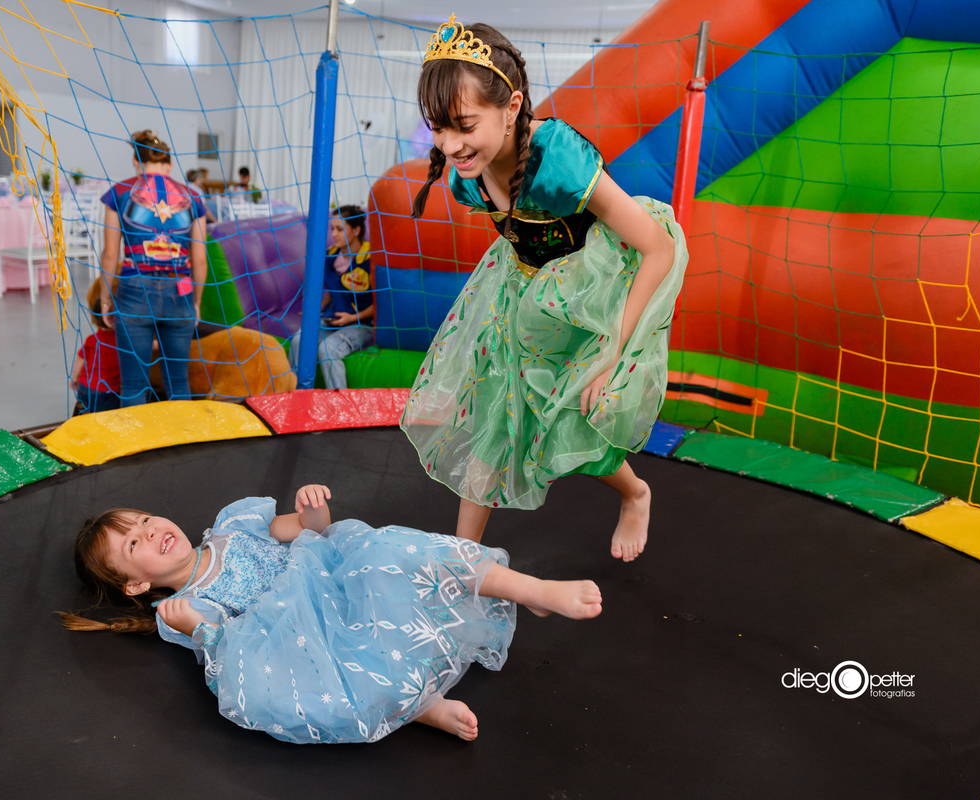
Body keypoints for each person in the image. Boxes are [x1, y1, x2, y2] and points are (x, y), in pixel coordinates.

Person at [401, 17, 689, 561]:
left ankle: (636, 492)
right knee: (491, 407)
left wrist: (611, 355)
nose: (451, 145)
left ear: (511, 109)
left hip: (605, 287)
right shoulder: (467, 173)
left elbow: (658, 248)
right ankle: (466, 563)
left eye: (464, 125)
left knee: (572, 420)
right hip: (525, 288)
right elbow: (518, 238)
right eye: (438, 129)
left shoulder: (556, 157)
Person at [59, 484, 602, 744]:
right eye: (134, 545)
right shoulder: (179, 607)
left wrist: (313, 510)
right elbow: (233, 654)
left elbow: (311, 531)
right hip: (308, 640)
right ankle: (422, 706)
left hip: (342, 581)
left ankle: (532, 589)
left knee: (391, 550)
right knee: (331, 683)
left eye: (147, 518)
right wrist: (193, 625)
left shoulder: (235, 526)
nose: (151, 531)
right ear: (137, 583)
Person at [98, 130, 208, 406]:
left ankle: (137, 448)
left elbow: (111, 254)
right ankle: (182, 445)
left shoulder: (120, 193)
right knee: (178, 382)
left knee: (134, 385)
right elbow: (200, 258)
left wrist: (106, 299)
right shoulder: (193, 198)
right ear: (169, 166)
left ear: (136, 162)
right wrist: (195, 302)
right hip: (179, 290)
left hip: (134, 290)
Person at [289, 205, 374, 389]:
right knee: (299, 340)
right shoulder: (331, 255)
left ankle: (339, 408)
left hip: (362, 324)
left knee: (328, 350)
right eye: (332, 229)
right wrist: (317, 311)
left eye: (339, 229)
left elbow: (381, 303)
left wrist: (353, 317)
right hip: (334, 319)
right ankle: (294, 395)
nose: (334, 234)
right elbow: (334, 290)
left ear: (356, 230)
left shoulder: (370, 258)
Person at [70, 279, 122, 415]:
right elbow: (150, 346)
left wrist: (74, 377)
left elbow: (80, 359)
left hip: (85, 386)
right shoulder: (122, 340)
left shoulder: (93, 339)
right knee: (103, 422)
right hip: (107, 391)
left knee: (83, 418)